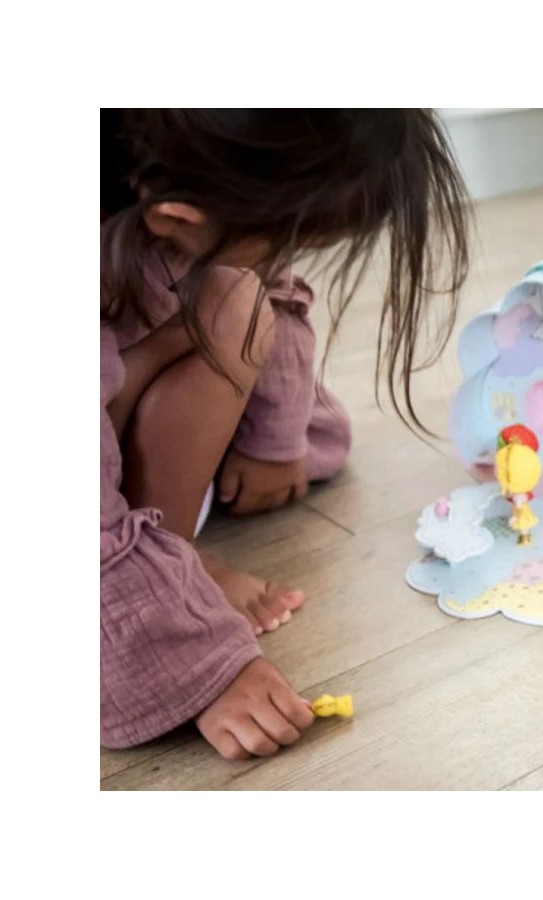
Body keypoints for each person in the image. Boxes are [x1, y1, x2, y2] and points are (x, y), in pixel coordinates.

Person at [101, 109, 470, 759]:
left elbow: (267, 290)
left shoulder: (176, 164)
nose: (284, 263)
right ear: (176, 218)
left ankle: (168, 551)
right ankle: (163, 573)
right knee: (230, 297)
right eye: (279, 244)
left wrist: (273, 438)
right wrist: (202, 666)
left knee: (234, 301)